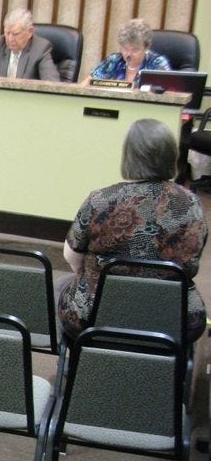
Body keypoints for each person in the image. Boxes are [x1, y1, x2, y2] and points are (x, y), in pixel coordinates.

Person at [58, 118, 207, 342]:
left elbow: (71, 256)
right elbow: (192, 263)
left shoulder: (100, 200)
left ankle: (80, 367)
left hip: (97, 314)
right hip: (172, 315)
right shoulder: (192, 204)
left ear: (129, 155)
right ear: (171, 155)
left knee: (61, 286)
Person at [0, 8, 60, 81]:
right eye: (7, 33)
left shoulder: (40, 49)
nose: (9, 39)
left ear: (30, 32)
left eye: (15, 34)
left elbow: (52, 84)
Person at [85, 18, 171, 85]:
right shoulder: (113, 60)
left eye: (135, 50)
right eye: (125, 49)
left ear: (146, 47)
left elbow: (169, 94)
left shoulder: (158, 63)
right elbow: (85, 85)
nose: (129, 54)